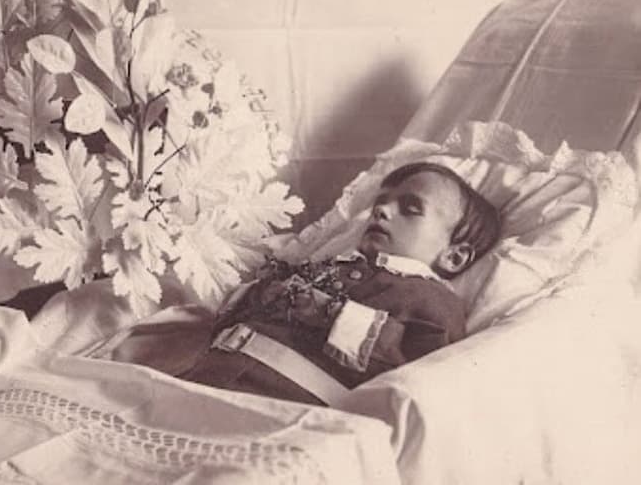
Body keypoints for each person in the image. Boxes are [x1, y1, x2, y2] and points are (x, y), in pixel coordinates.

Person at [180, 162, 502, 406]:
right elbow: (231, 315)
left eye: (411, 209)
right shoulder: (328, 266)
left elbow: (422, 376)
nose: (381, 210)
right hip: (206, 377)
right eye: (381, 202)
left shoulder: (433, 299)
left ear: (454, 257)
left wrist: (329, 313)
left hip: (282, 405)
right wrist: (263, 292)